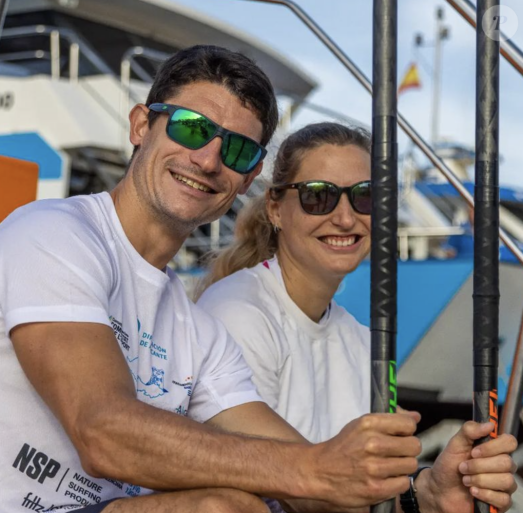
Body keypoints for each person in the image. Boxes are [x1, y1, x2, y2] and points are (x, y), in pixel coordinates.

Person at [0, 45, 515, 513]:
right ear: (142, 125)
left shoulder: (197, 331)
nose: (209, 159)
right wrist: (313, 470)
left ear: (246, 181)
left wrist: (425, 492)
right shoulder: (54, 234)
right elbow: (103, 430)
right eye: (192, 129)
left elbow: (313, 474)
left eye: (238, 149)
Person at [197, 122, 518, 511]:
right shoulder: (237, 314)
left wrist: (431, 493)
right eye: (319, 197)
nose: (346, 219)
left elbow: (365, 496)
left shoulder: (363, 341)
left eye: (366, 197)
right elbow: (306, 491)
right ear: (276, 208)